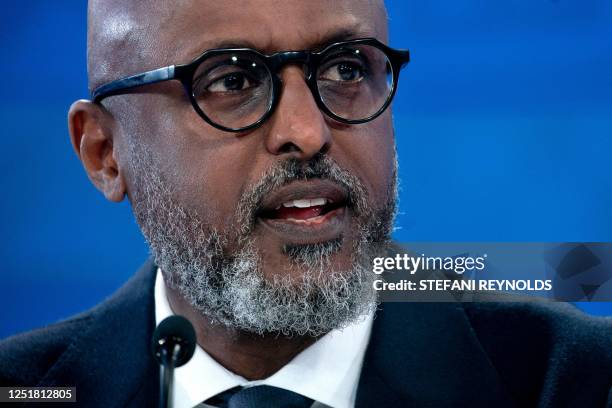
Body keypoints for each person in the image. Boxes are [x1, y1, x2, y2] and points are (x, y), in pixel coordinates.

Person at [1, 0, 611, 407]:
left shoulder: (578, 382)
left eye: (347, 68)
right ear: (104, 152)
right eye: (232, 81)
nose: (308, 131)